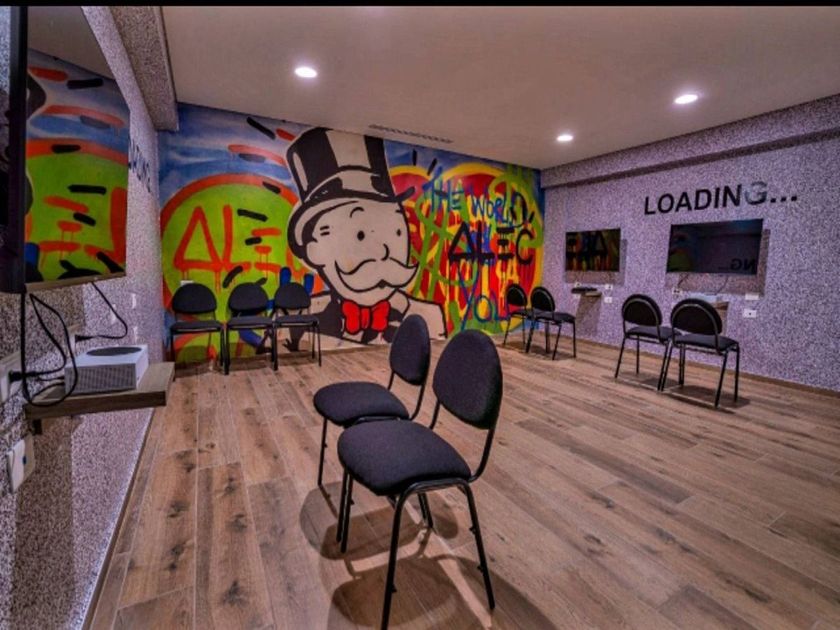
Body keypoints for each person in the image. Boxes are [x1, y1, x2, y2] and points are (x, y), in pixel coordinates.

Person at [286, 127, 446, 343]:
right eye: (360, 235)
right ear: (314, 250)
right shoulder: (299, 323)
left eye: (396, 232)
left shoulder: (427, 320)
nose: (383, 251)